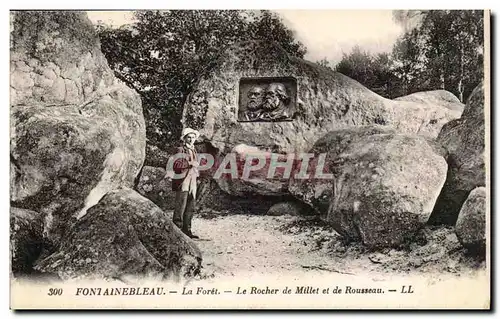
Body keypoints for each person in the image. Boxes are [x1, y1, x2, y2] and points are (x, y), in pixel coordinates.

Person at [171, 128, 200, 239]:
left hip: (192, 180)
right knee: (180, 205)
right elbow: (176, 165)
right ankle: (177, 232)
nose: (191, 139)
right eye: (189, 137)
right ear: (184, 138)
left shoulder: (194, 150)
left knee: (190, 206)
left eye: (193, 137)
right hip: (183, 180)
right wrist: (190, 163)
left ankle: (187, 230)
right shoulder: (180, 150)